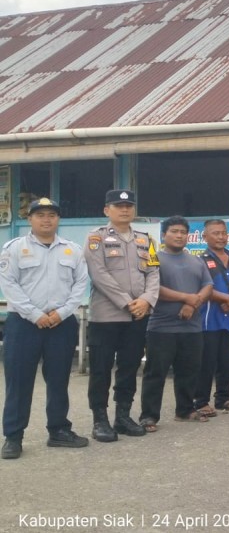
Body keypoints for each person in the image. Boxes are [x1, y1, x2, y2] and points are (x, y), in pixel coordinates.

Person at [1, 198, 90, 460]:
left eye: (52, 215)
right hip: (23, 324)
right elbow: (10, 285)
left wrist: (60, 313)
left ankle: (59, 430)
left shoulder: (72, 250)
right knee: (19, 382)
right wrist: (35, 314)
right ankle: (13, 437)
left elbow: (80, 286)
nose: (46, 220)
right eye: (40, 215)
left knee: (59, 379)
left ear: (58, 219)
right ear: (30, 219)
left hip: (61, 324)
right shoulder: (14, 248)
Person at [85, 189, 159, 442]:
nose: (124, 209)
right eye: (118, 205)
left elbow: (153, 274)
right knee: (100, 370)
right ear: (107, 210)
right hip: (105, 318)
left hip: (137, 317)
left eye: (129, 205)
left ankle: (123, 415)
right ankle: (100, 420)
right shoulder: (96, 238)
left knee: (129, 368)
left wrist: (147, 300)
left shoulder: (145, 240)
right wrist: (129, 303)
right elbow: (99, 275)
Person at [138, 216, 214, 431]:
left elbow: (208, 285)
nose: (179, 235)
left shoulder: (196, 261)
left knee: (189, 371)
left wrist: (194, 302)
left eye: (183, 232)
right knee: (156, 373)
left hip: (192, 327)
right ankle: (149, 416)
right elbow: (153, 288)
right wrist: (186, 298)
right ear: (164, 235)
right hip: (161, 327)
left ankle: (185, 409)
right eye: (174, 231)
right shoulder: (155, 259)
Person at [194, 219, 229, 417]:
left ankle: (223, 398)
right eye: (215, 233)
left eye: (223, 233)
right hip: (208, 320)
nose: (220, 237)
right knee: (206, 362)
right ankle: (200, 401)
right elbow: (202, 288)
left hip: (228, 319)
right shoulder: (200, 260)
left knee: (226, 362)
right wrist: (228, 299)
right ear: (205, 236)